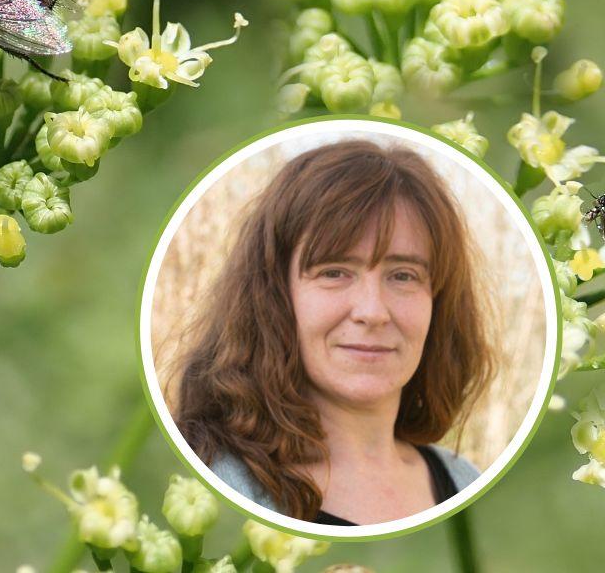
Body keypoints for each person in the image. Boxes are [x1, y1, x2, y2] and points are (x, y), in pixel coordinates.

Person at [173, 139, 494, 525]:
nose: (372, 312)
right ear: (275, 296)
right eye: (334, 272)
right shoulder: (211, 481)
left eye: (403, 275)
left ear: (437, 304)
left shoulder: (465, 481)